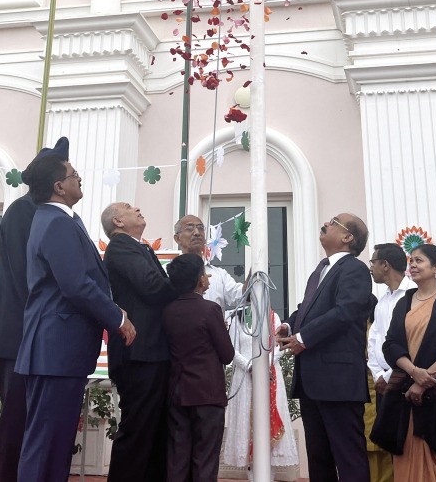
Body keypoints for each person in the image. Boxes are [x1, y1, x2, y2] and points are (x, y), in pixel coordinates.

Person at [15, 145, 136, 482]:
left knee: (56, 445)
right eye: (72, 174)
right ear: (58, 187)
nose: (79, 177)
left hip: (60, 352)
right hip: (54, 350)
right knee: (45, 445)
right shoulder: (55, 223)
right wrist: (117, 318)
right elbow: (75, 285)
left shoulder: (63, 220)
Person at [276, 213, 373, 482]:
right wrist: (289, 326)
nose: (325, 224)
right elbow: (306, 310)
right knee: (319, 457)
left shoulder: (355, 269)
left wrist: (304, 338)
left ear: (347, 237)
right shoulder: (320, 269)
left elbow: (346, 311)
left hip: (339, 380)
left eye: (333, 222)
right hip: (312, 378)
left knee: (348, 457)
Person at [0, 140, 50, 482]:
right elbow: (31, 277)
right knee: (16, 422)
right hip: (21, 336)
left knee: (28, 424)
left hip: (33, 336)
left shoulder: (39, 212)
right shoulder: (25, 212)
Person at [101, 201, 178, 482]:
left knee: (156, 430)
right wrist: (184, 279)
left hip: (154, 352)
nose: (137, 209)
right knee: (139, 430)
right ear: (117, 223)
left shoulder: (141, 247)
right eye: (129, 208)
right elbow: (153, 287)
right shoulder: (122, 246)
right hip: (139, 354)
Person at [379, 244, 436, 482]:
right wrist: (413, 372)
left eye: (419, 261)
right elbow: (391, 344)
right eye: (411, 261)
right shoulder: (405, 301)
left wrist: (424, 380)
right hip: (404, 393)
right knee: (406, 455)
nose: (413, 265)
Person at [161, 253, 235, 482]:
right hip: (207, 393)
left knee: (178, 456)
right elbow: (227, 354)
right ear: (200, 280)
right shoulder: (210, 309)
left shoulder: (167, 311)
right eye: (204, 273)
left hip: (176, 392)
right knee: (205, 458)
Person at [222, 296, 300, 472]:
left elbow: (280, 346)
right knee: (247, 429)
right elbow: (231, 349)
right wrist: (250, 366)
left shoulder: (273, 318)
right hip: (244, 379)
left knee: (268, 437)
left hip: (270, 377)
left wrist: (263, 366)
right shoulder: (237, 318)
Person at [365, 243, 407, 482]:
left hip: (404, 380)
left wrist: (389, 374)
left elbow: (410, 342)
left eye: (373, 262)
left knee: (405, 446)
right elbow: (374, 342)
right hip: (383, 383)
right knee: (388, 441)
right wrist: (378, 373)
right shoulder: (382, 301)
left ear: (385, 265)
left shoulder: (411, 295)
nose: (371, 268)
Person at [174, 213, 243, 310]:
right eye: (190, 228)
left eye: (201, 228)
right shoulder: (168, 273)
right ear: (177, 239)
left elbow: (242, 295)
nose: (197, 232)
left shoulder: (219, 274)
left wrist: (255, 270)